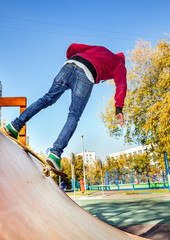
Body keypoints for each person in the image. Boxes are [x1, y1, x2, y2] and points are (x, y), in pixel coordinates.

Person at [4, 43, 127, 172]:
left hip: (69, 65)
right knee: (74, 115)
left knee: (46, 99)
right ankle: (55, 154)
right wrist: (119, 108)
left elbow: (74, 47)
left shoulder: (101, 49)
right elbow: (121, 85)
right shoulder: (120, 65)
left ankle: (14, 126)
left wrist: (71, 59)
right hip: (86, 74)